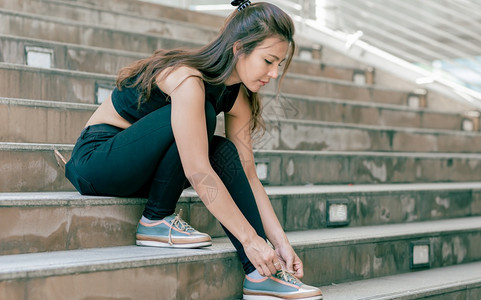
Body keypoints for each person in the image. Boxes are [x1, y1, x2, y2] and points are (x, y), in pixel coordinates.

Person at [63, 1, 322, 299]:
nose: (274, 73)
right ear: (239, 49)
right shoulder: (187, 79)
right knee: (205, 116)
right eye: (268, 61)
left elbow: (249, 176)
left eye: (280, 64)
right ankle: (155, 219)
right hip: (99, 162)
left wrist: (279, 244)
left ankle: (259, 277)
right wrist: (251, 240)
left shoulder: (239, 98)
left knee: (223, 150)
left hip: (144, 171)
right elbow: (198, 171)